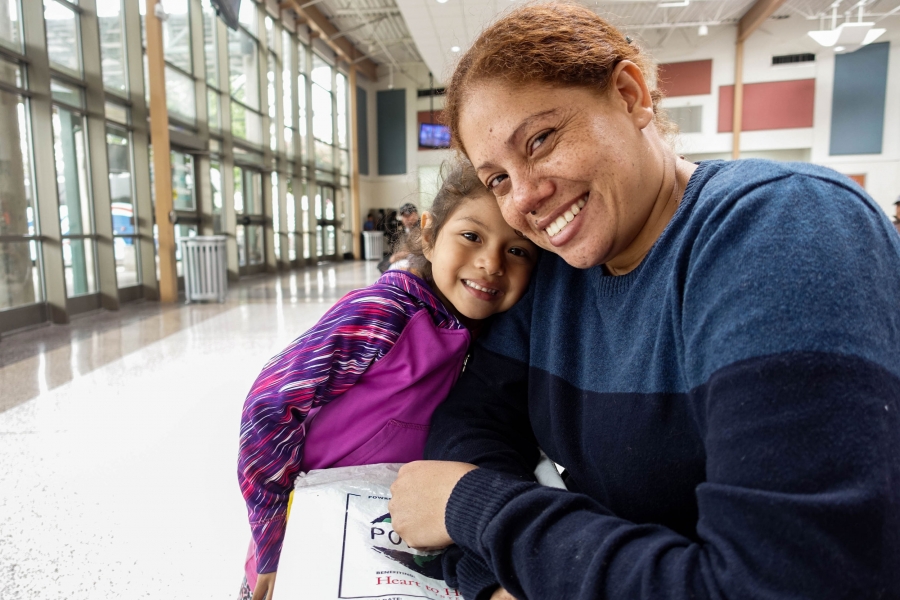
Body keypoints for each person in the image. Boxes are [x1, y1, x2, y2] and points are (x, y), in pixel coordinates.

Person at [387, 4, 900, 600]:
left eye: (542, 139)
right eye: (498, 178)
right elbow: (470, 425)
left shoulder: (785, 230)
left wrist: (472, 508)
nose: (525, 197)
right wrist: (491, 580)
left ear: (630, 95)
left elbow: (791, 582)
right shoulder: (555, 271)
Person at [237, 159, 539, 600]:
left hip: (379, 538)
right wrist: (271, 541)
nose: (491, 262)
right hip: (305, 537)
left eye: (518, 250)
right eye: (472, 236)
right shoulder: (384, 314)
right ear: (431, 235)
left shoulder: (489, 334)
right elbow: (268, 407)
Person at [378, 202, 421, 273]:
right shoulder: (406, 229)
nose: (406, 219)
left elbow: (415, 249)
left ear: (415, 214)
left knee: (387, 266)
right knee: (382, 264)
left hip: (416, 260)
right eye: (403, 216)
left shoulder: (420, 228)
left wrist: (397, 256)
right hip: (408, 258)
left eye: (408, 215)